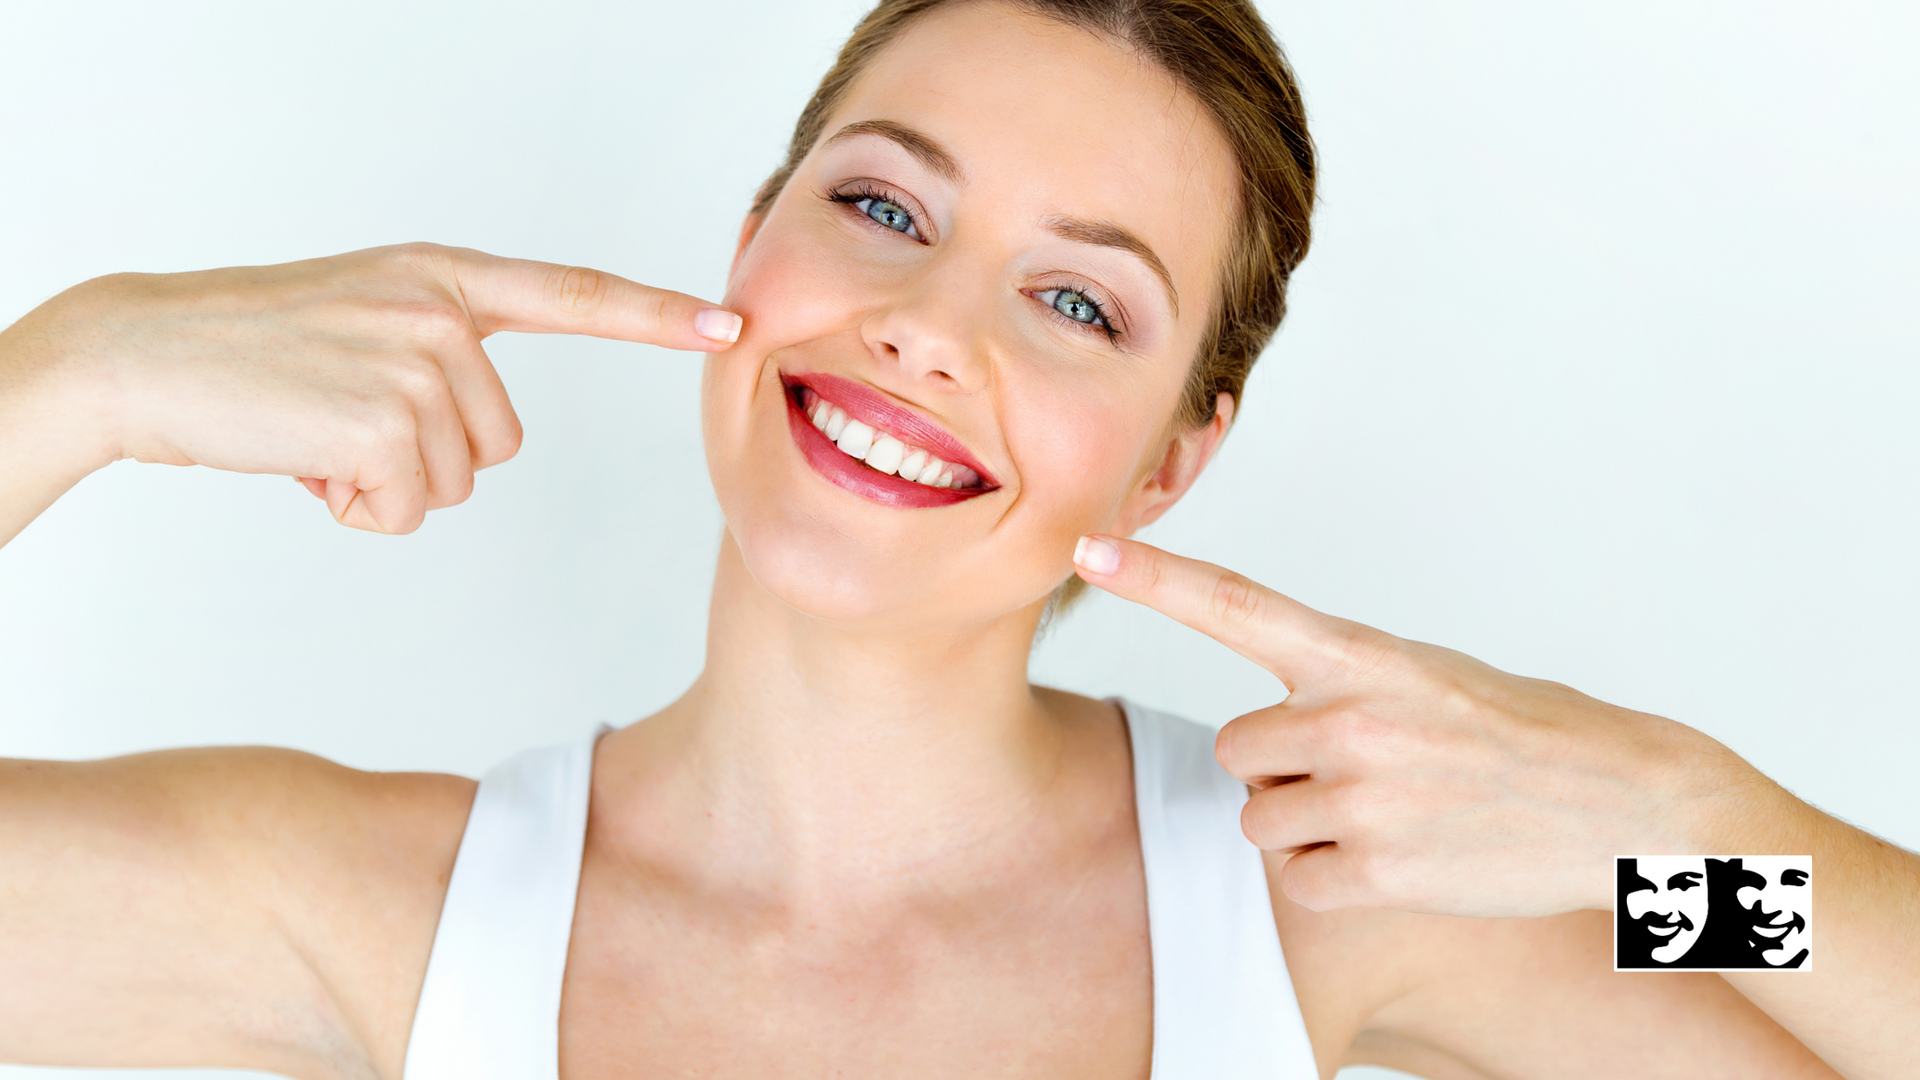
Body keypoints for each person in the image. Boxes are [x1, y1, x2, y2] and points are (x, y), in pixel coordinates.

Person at [0, 1, 1915, 1077]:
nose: (929, 327)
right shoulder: (388, 919)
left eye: (1082, 305)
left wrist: (1706, 829)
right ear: (752, 243)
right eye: (884, 208)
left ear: (1174, 460)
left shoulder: (1318, 902)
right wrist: (69, 378)